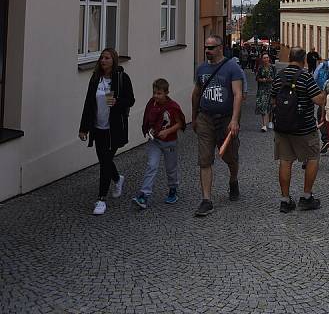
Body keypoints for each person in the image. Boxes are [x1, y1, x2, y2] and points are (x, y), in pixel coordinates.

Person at [191, 34, 245, 217]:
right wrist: (194, 116)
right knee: (204, 159)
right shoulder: (201, 69)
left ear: (220, 48)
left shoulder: (232, 68)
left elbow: (238, 94)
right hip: (205, 118)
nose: (207, 50)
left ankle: (233, 179)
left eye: (211, 47)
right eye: (206, 47)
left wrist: (234, 120)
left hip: (226, 119)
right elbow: (197, 93)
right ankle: (206, 200)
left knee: (231, 157)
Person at [79, 48, 135, 215]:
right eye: (102, 58)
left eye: (107, 58)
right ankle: (118, 179)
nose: (103, 61)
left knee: (104, 162)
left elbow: (130, 100)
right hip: (98, 127)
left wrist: (117, 102)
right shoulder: (96, 78)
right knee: (104, 160)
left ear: (114, 60)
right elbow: (88, 103)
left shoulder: (121, 78)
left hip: (115, 128)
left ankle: (101, 199)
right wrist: (84, 127)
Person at [271, 47, 325, 213]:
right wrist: (323, 94)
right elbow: (318, 100)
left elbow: (273, 101)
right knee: (313, 158)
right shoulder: (305, 76)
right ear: (303, 61)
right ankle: (306, 197)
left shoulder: (279, 76)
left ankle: (285, 200)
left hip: (283, 128)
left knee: (285, 161)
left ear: (289, 58)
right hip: (305, 127)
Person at [132, 78, 186, 209]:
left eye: (159, 93)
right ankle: (144, 195)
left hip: (169, 142)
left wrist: (167, 131)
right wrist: (149, 129)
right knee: (151, 166)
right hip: (155, 141)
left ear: (166, 92)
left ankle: (173, 189)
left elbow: (180, 123)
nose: (156, 96)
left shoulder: (173, 107)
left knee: (171, 168)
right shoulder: (152, 103)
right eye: (154, 93)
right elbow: (149, 119)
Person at [255, 53, 276, 131]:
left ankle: (270, 121)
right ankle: (263, 125)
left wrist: (272, 80)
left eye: (267, 57)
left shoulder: (273, 67)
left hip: (271, 89)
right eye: (264, 58)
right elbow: (257, 78)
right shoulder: (260, 68)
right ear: (262, 59)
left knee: (271, 106)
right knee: (263, 106)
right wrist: (262, 80)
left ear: (269, 58)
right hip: (262, 89)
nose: (266, 59)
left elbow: (275, 78)